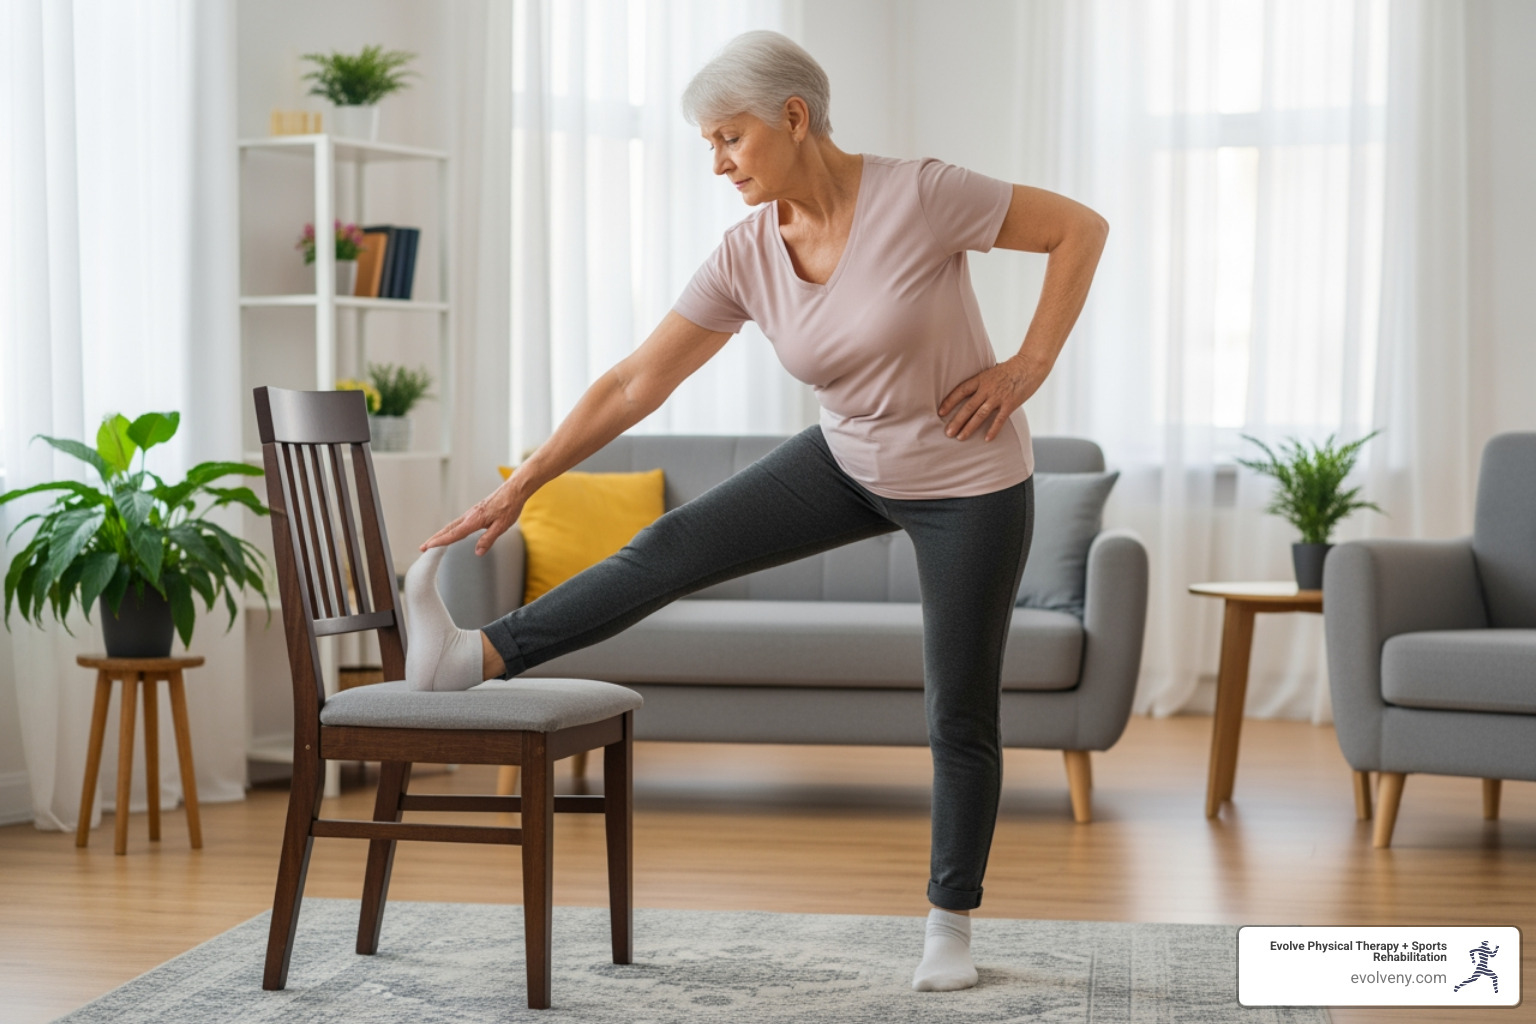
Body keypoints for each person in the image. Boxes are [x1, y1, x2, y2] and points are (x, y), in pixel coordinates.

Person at [406, 29, 1107, 993]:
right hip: (845, 457)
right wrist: (523, 483)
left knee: (958, 703)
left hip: (967, 482)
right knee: (674, 545)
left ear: (794, 116)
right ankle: (474, 656)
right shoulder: (746, 253)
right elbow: (634, 382)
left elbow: (1080, 228)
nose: (718, 161)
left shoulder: (923, 193)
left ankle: (950, 921)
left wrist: (1030, 365)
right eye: (708, 143)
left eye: (729, 137)